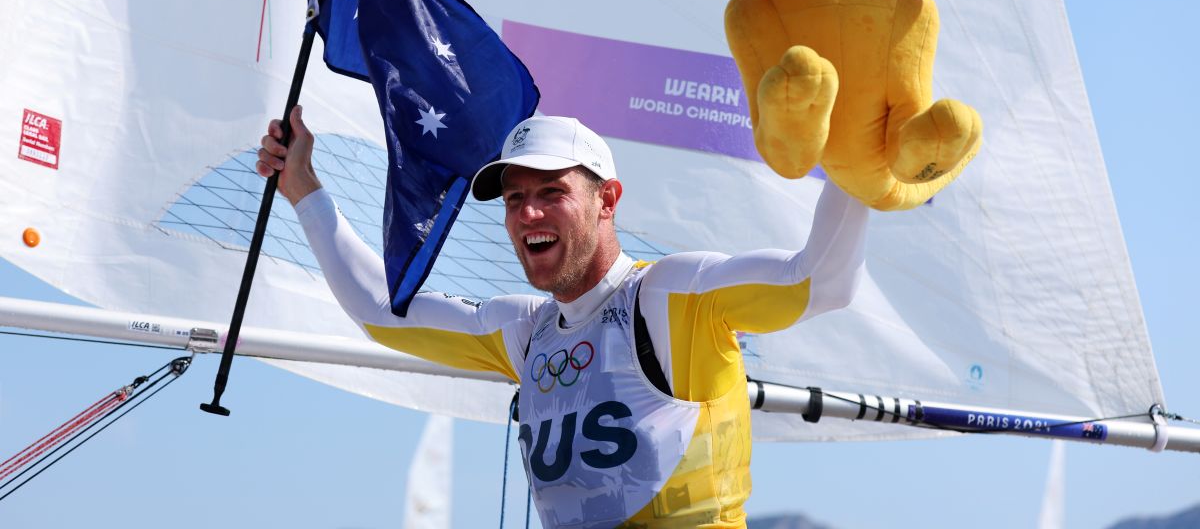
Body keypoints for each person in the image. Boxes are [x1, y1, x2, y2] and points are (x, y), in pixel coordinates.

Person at [258, 107, 868, 528]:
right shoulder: (526, 332)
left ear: (607, 200)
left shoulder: (671, 295)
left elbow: (821, 282)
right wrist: (303, 186)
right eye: (515, 199)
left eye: (552, 192)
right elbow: (380, 313)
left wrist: (859, 153)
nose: (528, 214)